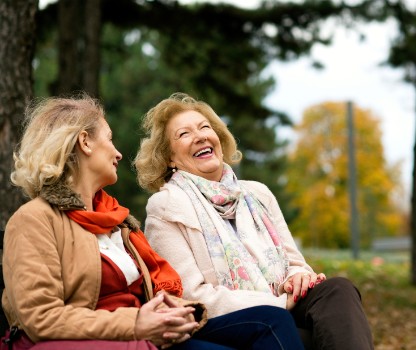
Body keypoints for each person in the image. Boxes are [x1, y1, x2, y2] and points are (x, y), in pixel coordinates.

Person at [2, 94, 305, 350]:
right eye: (109, 139)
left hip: (147, 335)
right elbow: (40, 317)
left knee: (271, 321)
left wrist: (178, 311)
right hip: (107, 339)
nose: (119, 153)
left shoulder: (118, 223)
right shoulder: (34, 221)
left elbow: (156, 291)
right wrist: (136, 322)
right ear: (85, 142)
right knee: (270, 321)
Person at [134, 92, 374, 350]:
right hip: (233, 320)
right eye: (184, 134)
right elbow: (192, 296)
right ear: (169, 158)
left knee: (338, 289)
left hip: (283, 303)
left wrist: (298, 277)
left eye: (205, 127)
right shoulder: (167, 206)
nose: (200, 136)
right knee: (297, 333)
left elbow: (294, 263)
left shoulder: (258, 193)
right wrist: (279, 303)